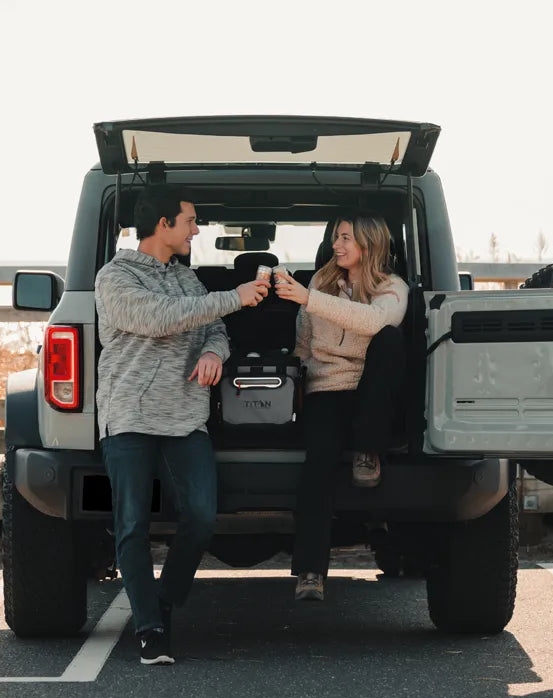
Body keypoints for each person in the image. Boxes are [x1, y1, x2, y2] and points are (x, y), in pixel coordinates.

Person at [95, 184, 269, 664]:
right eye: (190, 221)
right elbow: (161, 318)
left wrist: (215, 350)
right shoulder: (116, 278)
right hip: (129, 413)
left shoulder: (189, 280)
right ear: (163, 225)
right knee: (131, 526)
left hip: (185, 416)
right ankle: (150, 629)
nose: (197, 230)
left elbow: (212, 326)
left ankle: (162, 601)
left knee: (201, 517)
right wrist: (233, 296)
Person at [274, 210, 408, 601]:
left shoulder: (392, 287)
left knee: (389, 340)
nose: (337, 244)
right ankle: (310, 574)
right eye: (336, 236)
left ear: (369, 244)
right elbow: (304, 341)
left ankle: (368, 450)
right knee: (318, 466)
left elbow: (372, 321)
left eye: (346, 237)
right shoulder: (321, 281)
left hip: (370, 391)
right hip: (326, 388)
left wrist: (309, 298)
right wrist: (296, 381)